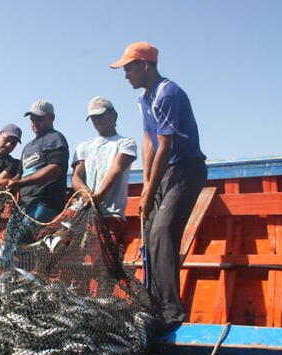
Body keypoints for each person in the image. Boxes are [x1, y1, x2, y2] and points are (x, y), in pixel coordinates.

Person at [111, 41, 207, 334]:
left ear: (145, 65)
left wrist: (151, 191)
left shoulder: (168, 93)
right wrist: (146, 186)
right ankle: (153, 304)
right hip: (164, 172)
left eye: (129, 68)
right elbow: (149, 142)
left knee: (164, 231)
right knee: (151, 232)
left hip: (186, 169)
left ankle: (171, 313)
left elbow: (166, 146)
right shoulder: (144, 99)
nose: (126, 74)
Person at [2, 99, 70, 268]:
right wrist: (12, 185)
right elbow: (19, 174)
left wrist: (21, 183)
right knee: (7, 247)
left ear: (51, 118)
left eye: (39, 118)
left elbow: (55, 169)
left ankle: (27, 281)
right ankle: (7, 280)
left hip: (44, 203)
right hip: (24, 206)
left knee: (23, 242)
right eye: (32, 119)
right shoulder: (28, 146)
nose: (34, 123)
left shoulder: (55, 138)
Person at [71, 96, 137, 249]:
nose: (97, 120)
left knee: (106, 262)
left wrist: (99, 195)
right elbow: (76, 176)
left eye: (100, 115)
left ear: (114, 115)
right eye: (93, 117)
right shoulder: (83, 147)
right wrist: (84, 192)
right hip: (81, 212)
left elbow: (117, 168)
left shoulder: (126, 143)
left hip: (110, 214)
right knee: (52, 242)